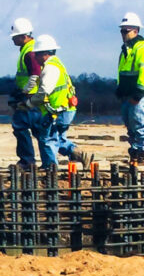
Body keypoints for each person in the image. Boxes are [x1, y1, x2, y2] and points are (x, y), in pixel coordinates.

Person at [29, 35, 90, 168]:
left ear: (44, 54)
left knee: (47, 138)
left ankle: (50, 168)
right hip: (65, 109)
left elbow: (44, 91)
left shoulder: (50, 68)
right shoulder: (57, 64)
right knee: (57, 138)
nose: (35, 58)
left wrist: (29, 103)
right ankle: (77, 153)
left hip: (57, 111)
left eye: (36, 54)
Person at [116, 12, 144, 164]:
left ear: (136, 31)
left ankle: (143, 152)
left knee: (139, 123)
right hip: (127, 95)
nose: (123, 34)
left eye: (125, 31)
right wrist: (120, 90)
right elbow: (122, 73)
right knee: (130, 125)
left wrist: (138, 95)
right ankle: (135, 150)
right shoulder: (126, 50)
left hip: (136, 96)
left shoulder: (142, 50)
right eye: (122, 30)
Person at [8, 17, 41, 166]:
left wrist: (24, 92)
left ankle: (27, 161)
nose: (13, 40)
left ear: (23, 36)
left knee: (20, 126)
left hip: (30, 97)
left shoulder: (30, 52)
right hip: (31, 95)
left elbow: (35, 74)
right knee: (40, 131)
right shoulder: (28, 49)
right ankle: (72, 151)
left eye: (15, 37)